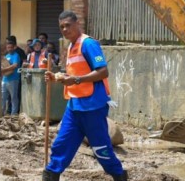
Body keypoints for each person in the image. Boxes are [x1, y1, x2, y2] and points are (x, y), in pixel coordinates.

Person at [43, 10, 127, 181]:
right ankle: (51, 174)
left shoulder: (88, 44)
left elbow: (103, 71)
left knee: (101, 149)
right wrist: (56, 77)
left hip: (93, 106)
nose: (65, 29)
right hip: (75, 106)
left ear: (77, 24)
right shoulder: (71, 47)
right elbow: (72, 76)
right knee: (61, 145)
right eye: (61, 27)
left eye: (68, 25)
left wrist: (77, 80)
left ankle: (119, 175)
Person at [1, 40, 21, 116]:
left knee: (13, 97)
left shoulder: (16, 55)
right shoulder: (6, 56)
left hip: (13, 79)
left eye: (10, 47)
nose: (9, 49)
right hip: (5, 79)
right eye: (8, 47)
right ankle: (1, 113)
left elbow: (15, 65)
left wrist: (4, 70)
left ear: (14, 47)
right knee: (3, 98)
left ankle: (14, 114)